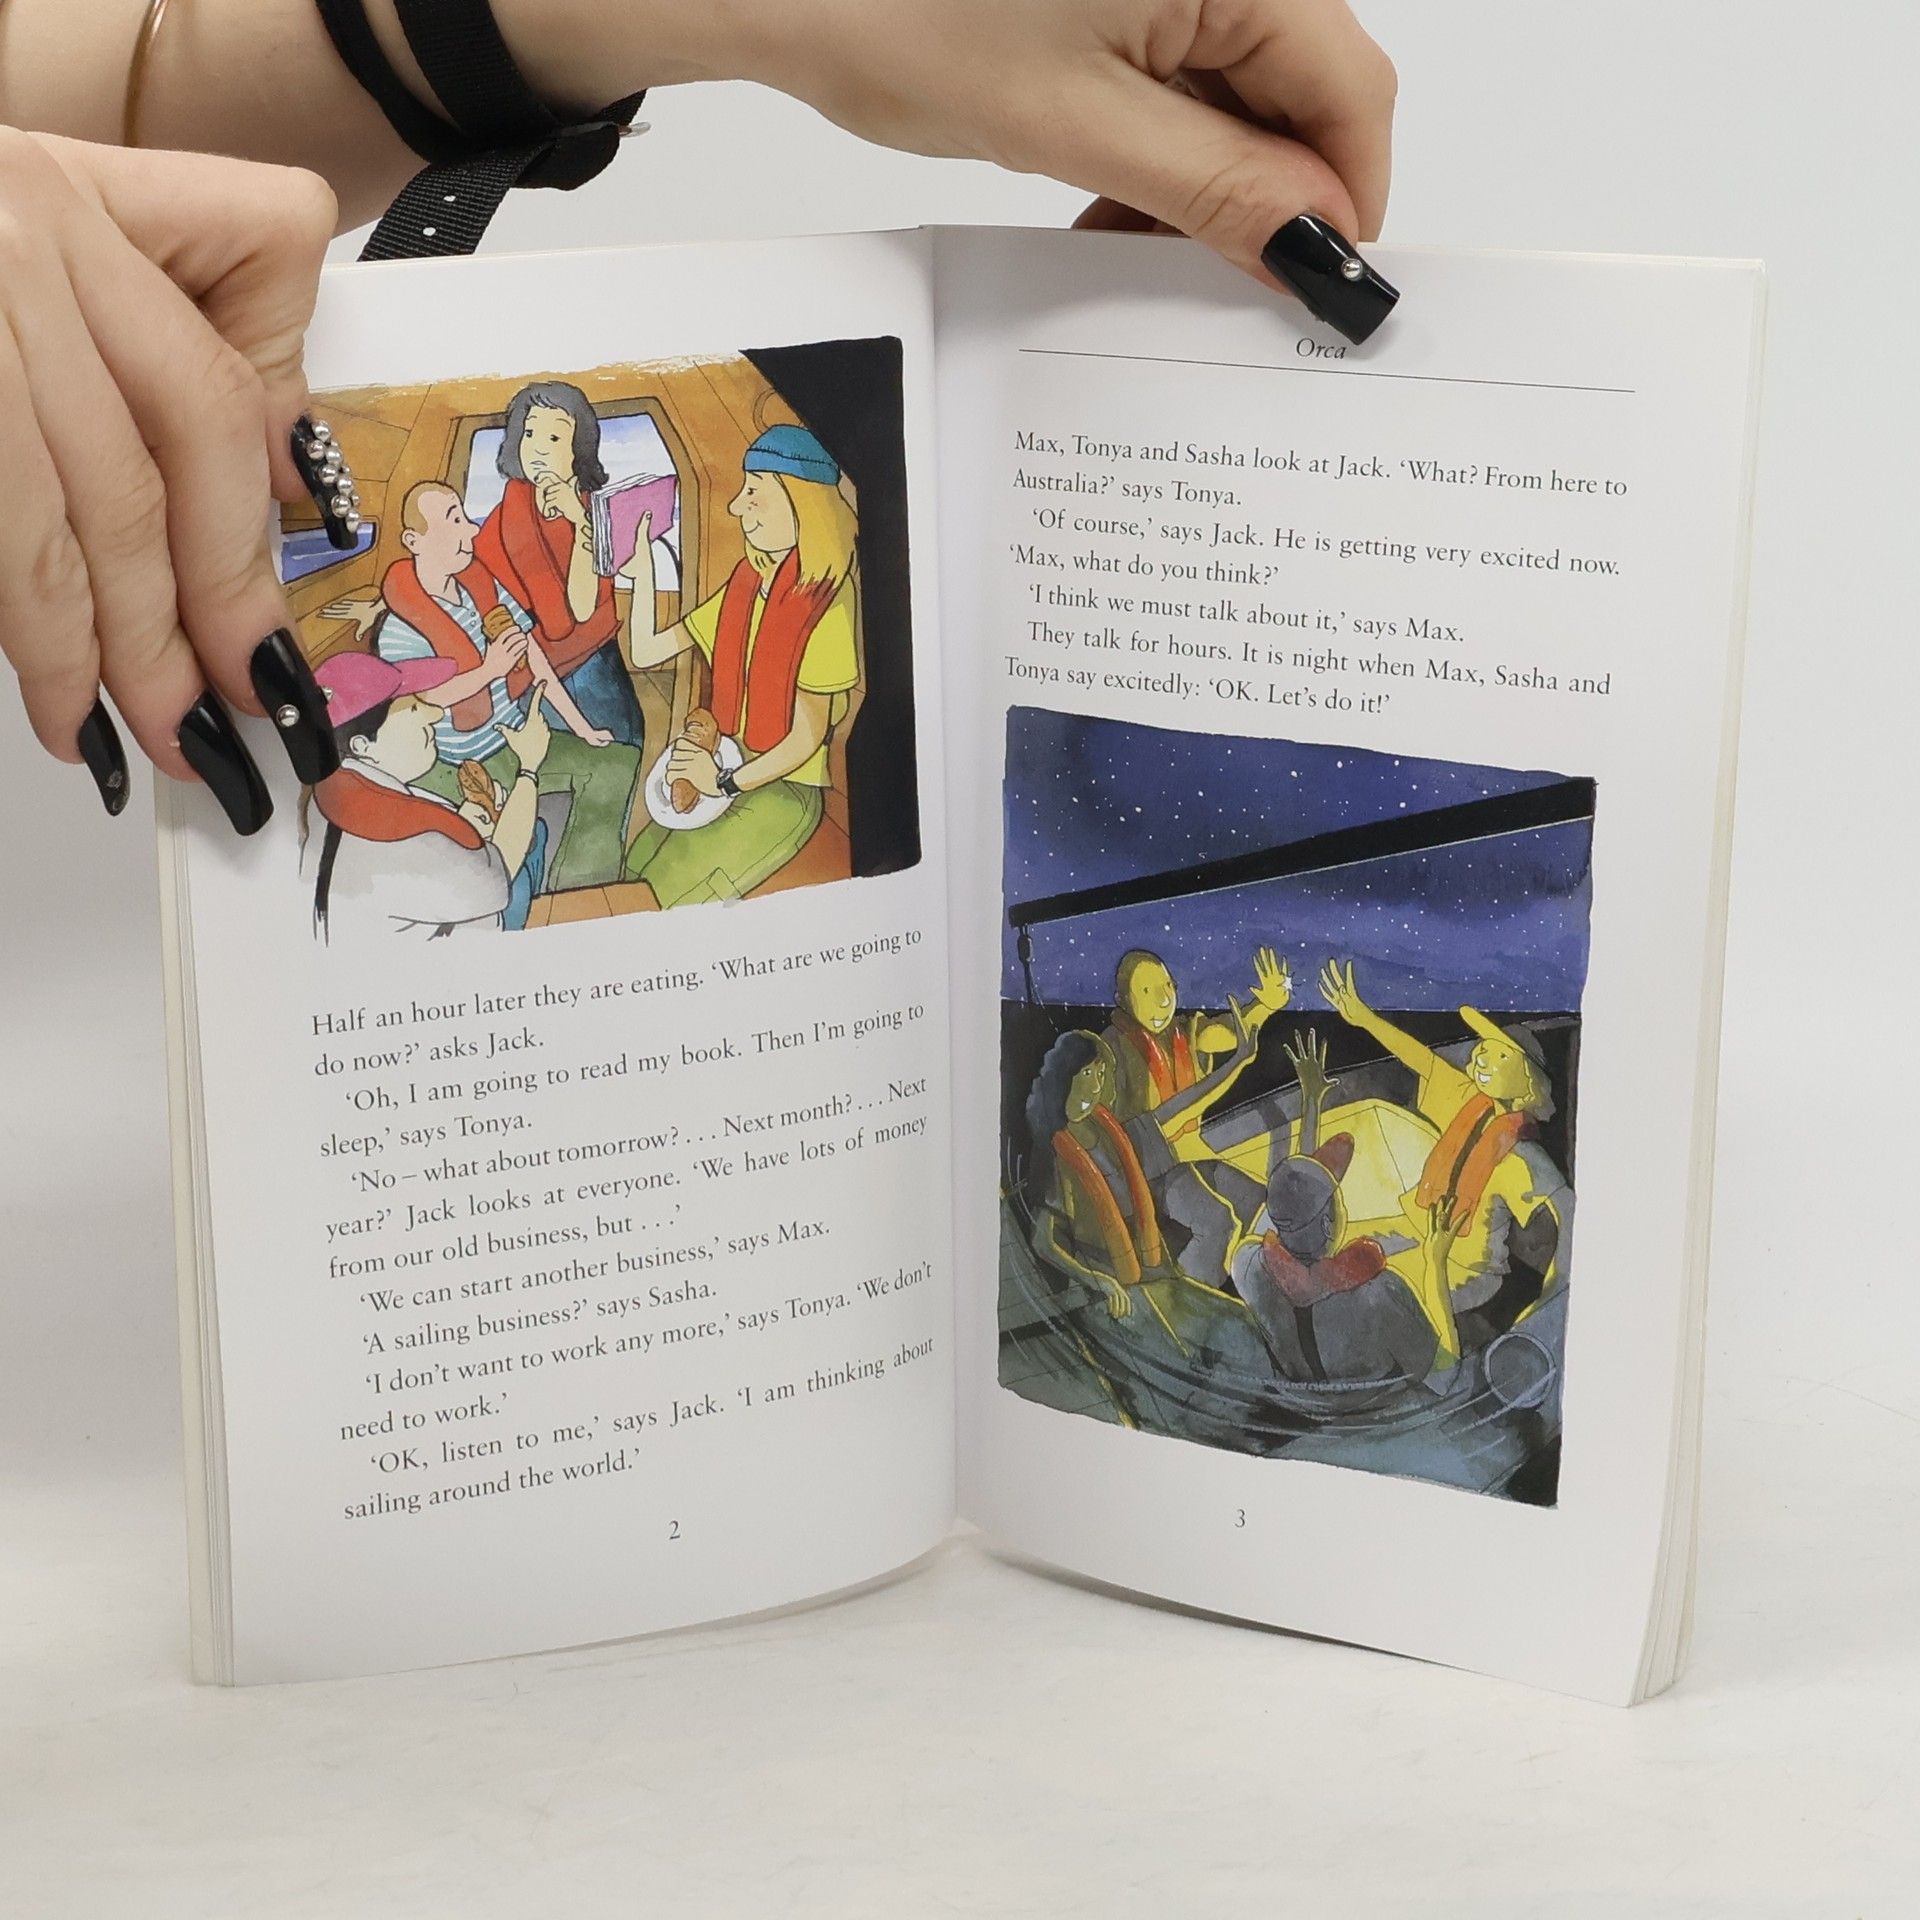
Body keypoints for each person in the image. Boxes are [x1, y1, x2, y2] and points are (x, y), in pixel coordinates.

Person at [0, 1, 1397, 824]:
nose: (544, 455)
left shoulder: (744, 578)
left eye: (555, 440)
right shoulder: (513, 535)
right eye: (537, 444)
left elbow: (98, 132)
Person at [325, 480, 644, 891]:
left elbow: (533, 656)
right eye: (453, 520)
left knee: (616, 764)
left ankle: (584, 889)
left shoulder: (483, 590)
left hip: (514, 738)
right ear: (414, 541)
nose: (471, 530)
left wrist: (582, 727)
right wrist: (491, 670)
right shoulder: (400, 628)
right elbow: (425, 697)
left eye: (465, 517)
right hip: (453, 761)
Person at [621, 425, 863, 905]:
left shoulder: (830, 601)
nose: (735, 506)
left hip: (785, 787)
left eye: (754, 492)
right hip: (727, 758)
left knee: (663, 892)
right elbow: (647, 651)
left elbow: (806, 737)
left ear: (802, 503)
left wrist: (722, 782)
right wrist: (644, 571)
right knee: (637, 861)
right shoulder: (748, 582)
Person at [1318, 961, 1572, 1342]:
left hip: (1465, 1268)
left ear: (1529, 1084)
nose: (1482, 1057)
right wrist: (1365, 1019)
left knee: (1373, 1291)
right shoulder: (1467, 1099)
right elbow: (1422, 1059)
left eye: (1501, 1056)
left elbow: (1567, 1208)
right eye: (1484, 1049)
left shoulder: (1523, 1156)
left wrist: (1553, 1293)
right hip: (1416, 1226)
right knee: (1334, 1246)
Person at [300, 651, 551, 939]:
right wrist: (529, 767)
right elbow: (500, 872)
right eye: (413, 708)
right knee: (533, 846)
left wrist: (463, 824)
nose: (436, 714)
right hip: (453, 957)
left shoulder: (337, 788)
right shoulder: (397, 829)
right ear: (362, 745)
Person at [469, 381, 648, 749]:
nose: (537, 448)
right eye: (529, 433)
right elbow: (470, 570)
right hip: (531, 668)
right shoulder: (506, 513)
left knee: (621, 750)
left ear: (578, 448)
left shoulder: (598, 514)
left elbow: (579, 611)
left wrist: (580, 520)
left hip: (594, 661)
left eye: (554, 438)